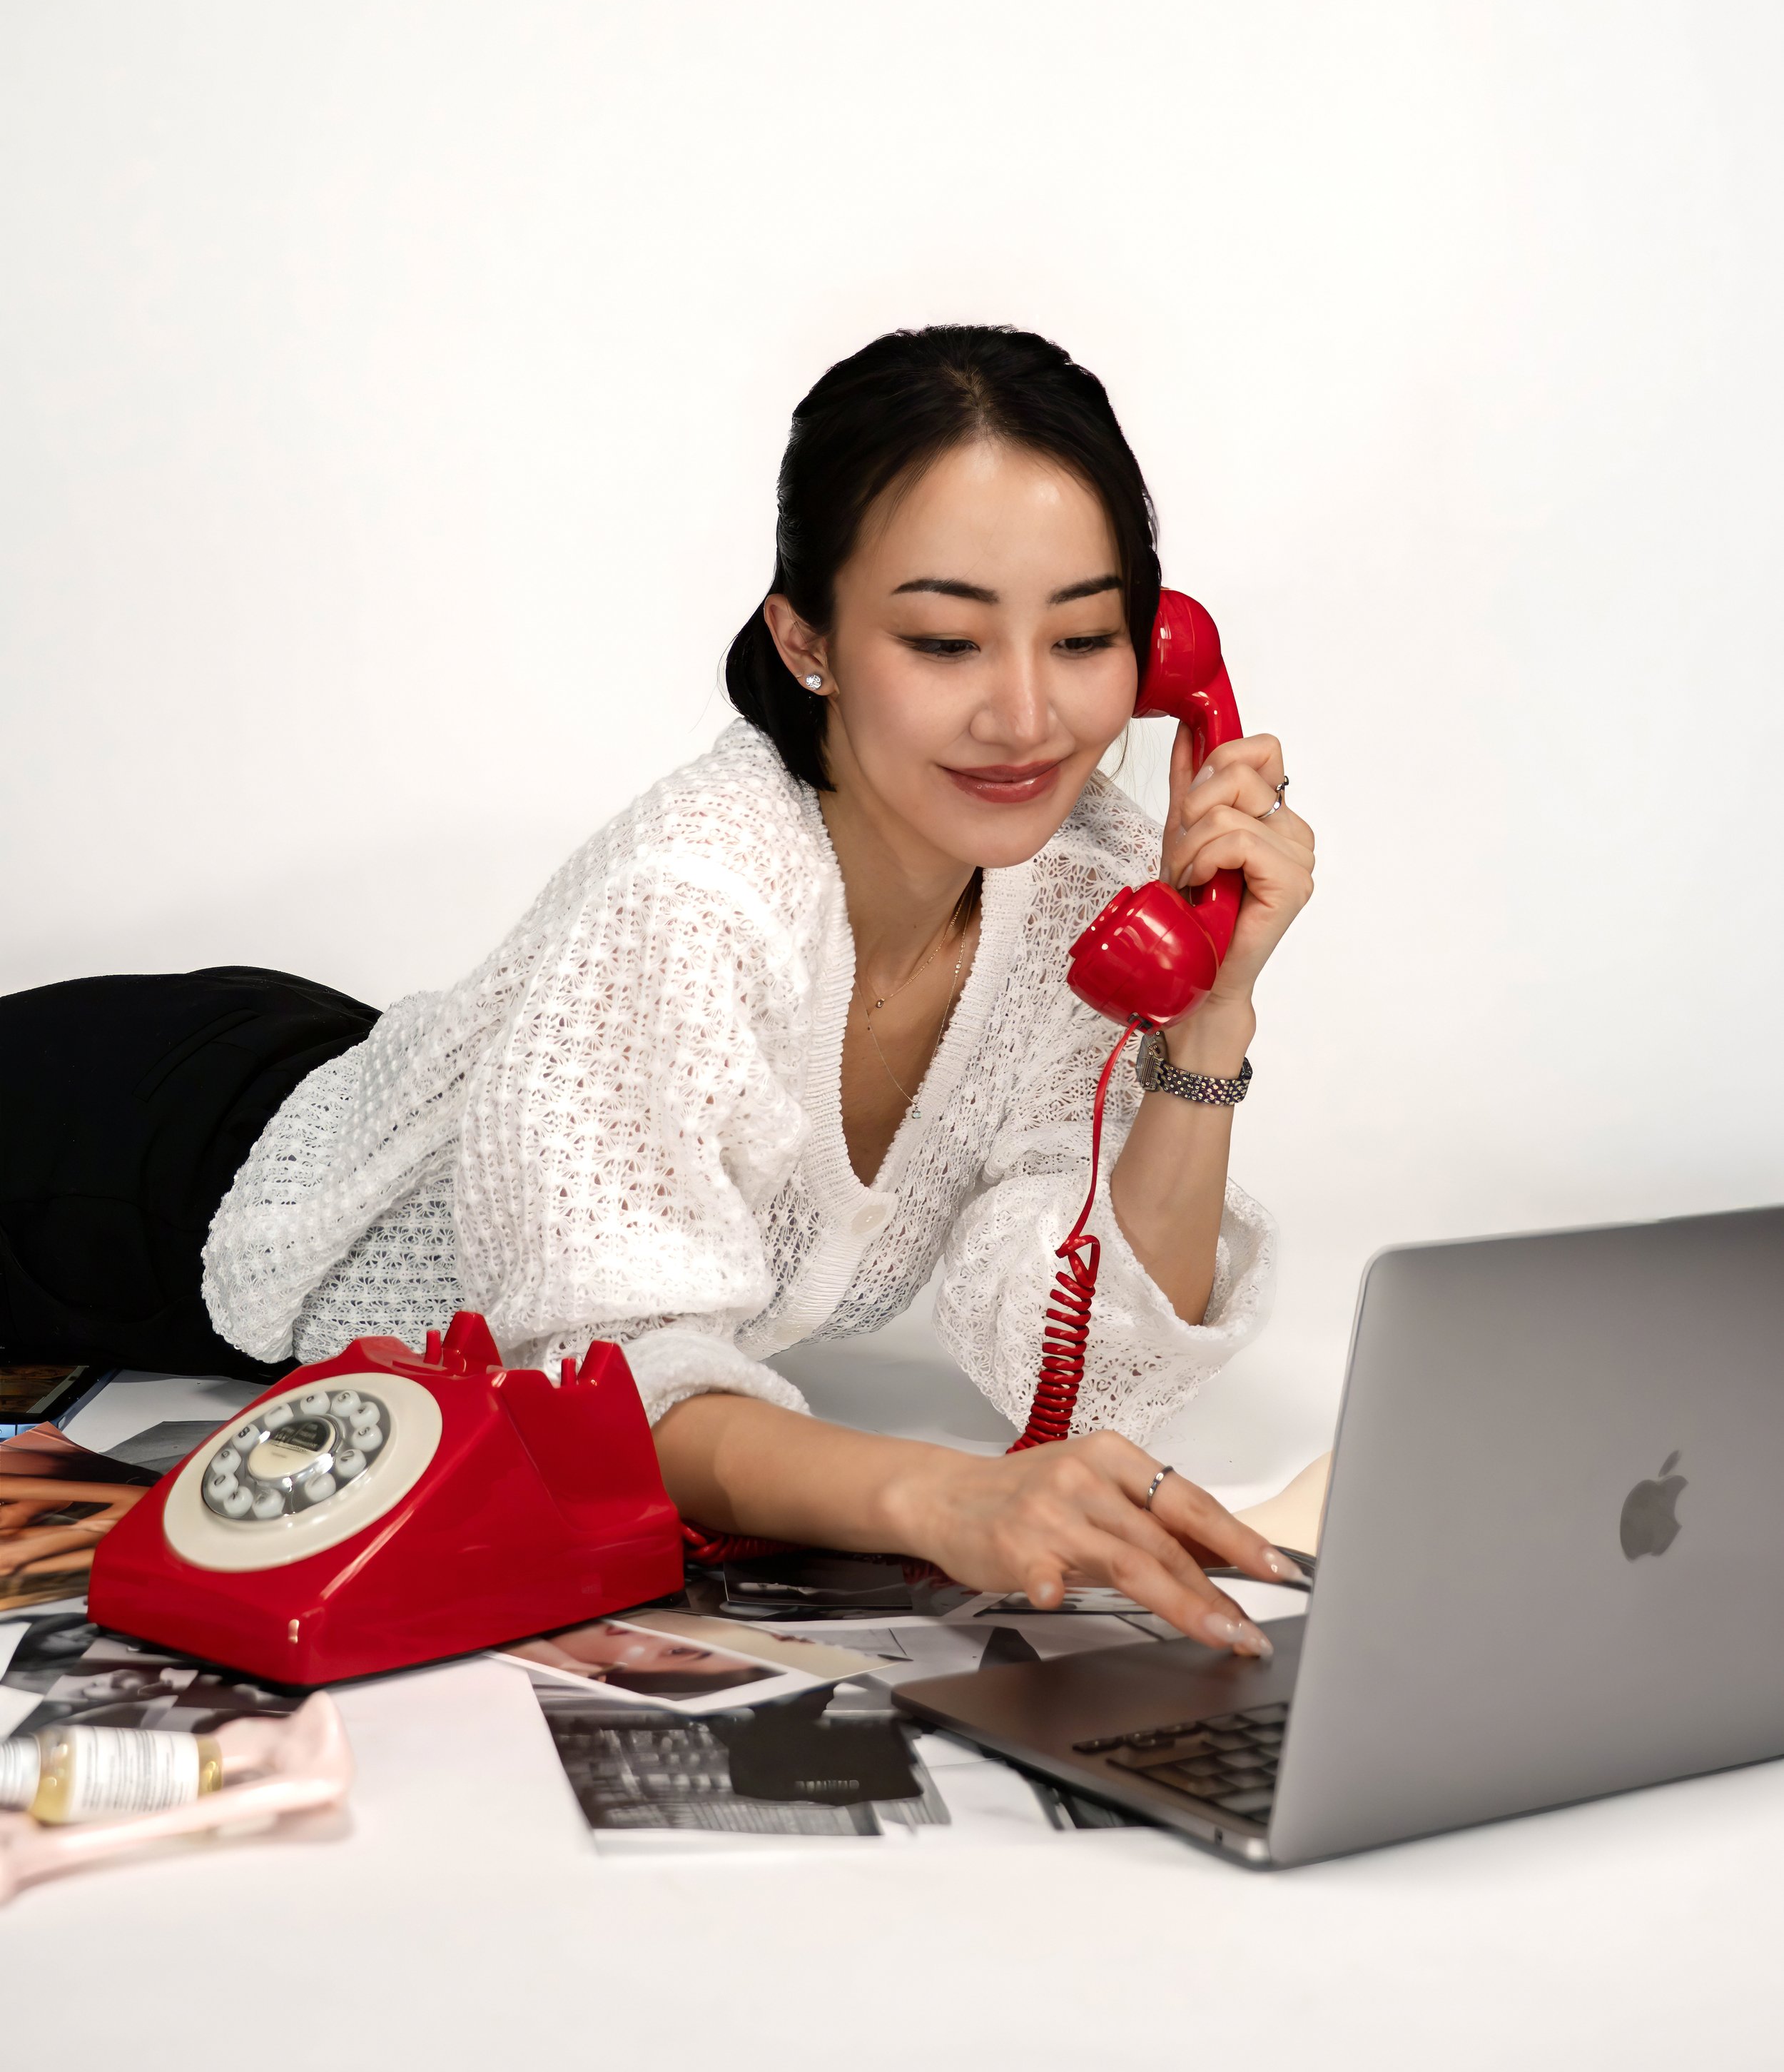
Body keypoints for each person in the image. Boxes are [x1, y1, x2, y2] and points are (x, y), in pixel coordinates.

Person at [0, 327, 1316, 1654]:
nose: (1029, 716)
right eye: (943, 639)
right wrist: (941, 1496)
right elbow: (607, 1382)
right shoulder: (696, 894)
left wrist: (1210, 1013)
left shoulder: (1083, 881)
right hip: (145, 1167)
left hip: (355, 1078)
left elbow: (1083, 1366)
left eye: (1084, 635)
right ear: (807, 639)